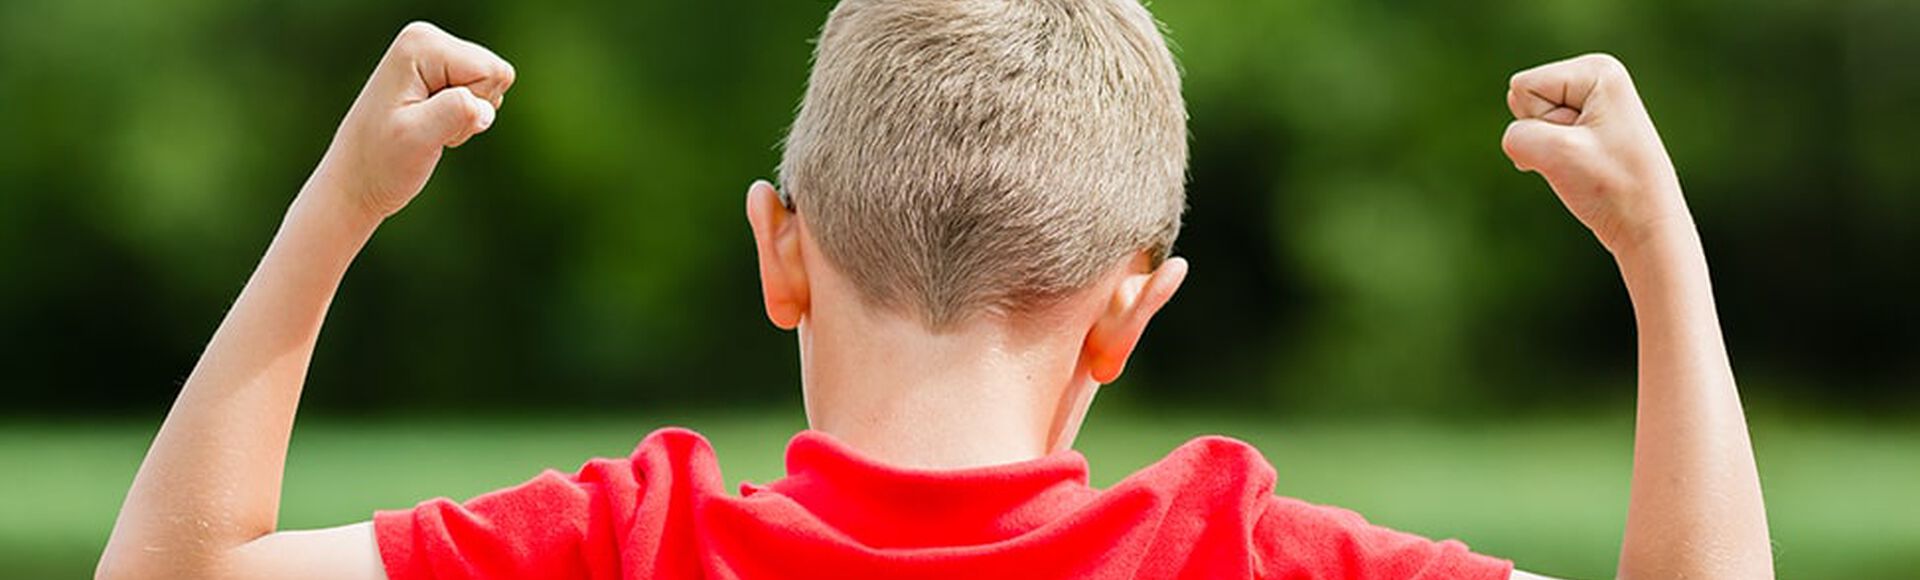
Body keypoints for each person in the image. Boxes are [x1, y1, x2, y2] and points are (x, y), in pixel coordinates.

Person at [97, 2, 1773, 578]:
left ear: (778, 250)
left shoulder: (626, 544)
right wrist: (1661, 256)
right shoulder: (1247, 555)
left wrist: (339, 202)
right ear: (1133, 310)